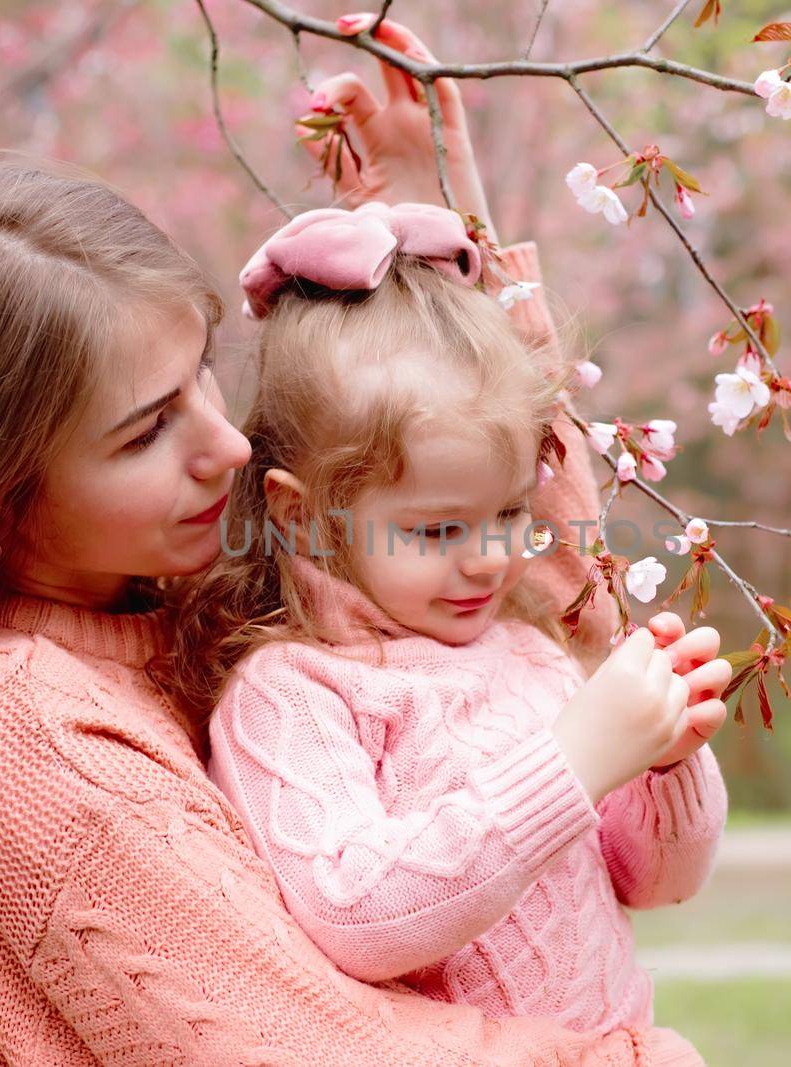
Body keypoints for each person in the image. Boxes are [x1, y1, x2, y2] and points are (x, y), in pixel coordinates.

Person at [0, 15, 719, 1065]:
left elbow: (473, 523)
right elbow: (301, 1043)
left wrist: (445, 269)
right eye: (146, 428)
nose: (226, 440)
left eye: (199, 372)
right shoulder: (13, 727)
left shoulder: (180, 614)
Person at [179, 198, 730, 1034]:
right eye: (437, 528)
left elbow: (657, 882)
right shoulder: (294, 694)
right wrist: (576, 759)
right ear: (301, 515)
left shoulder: (529, 657)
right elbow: (358, 915)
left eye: (509, 512)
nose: (488, 557)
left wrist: (665, 761)